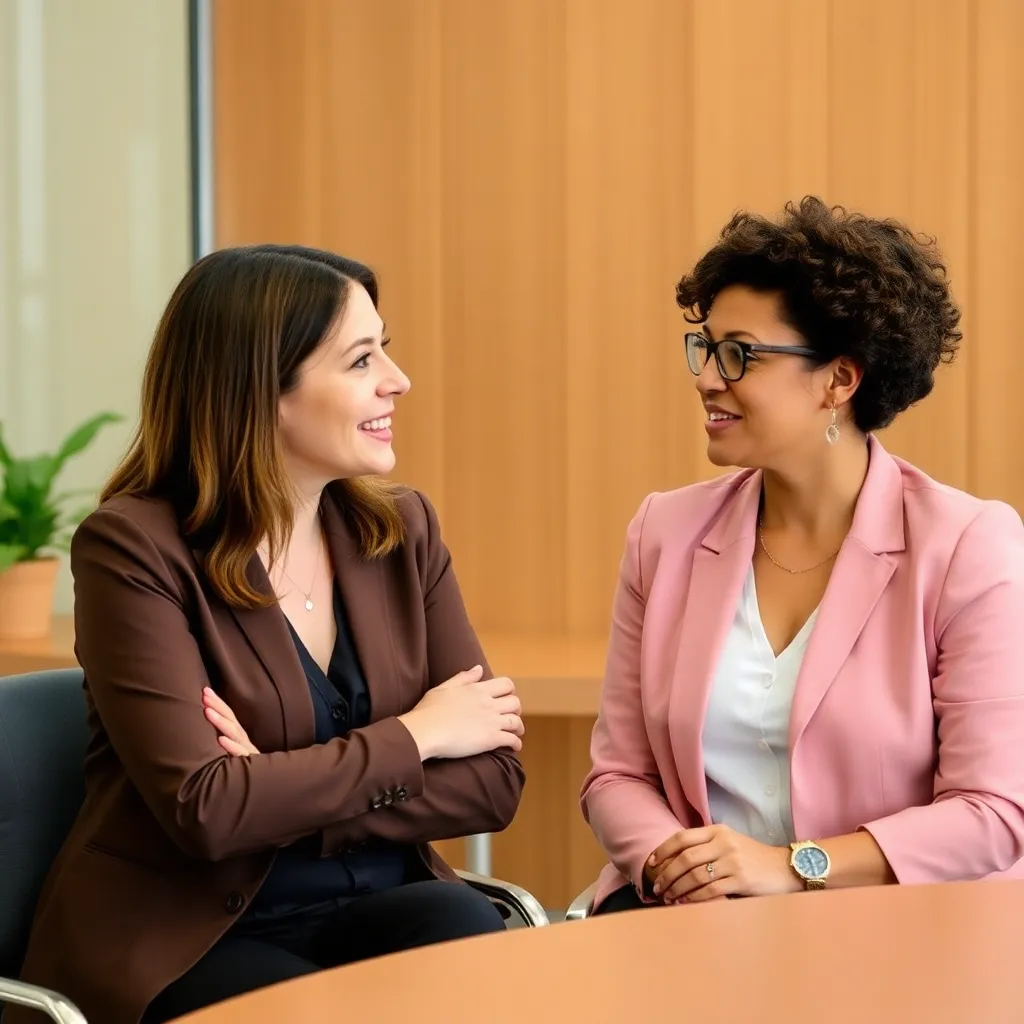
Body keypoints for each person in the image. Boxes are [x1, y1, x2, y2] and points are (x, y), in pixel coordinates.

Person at [11, 245, 526, 1024]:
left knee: (472, 944)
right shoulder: (134, 548)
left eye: (386, 348)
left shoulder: (399, 530)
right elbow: (208, 811)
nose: (397, 379)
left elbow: (493, 781)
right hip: (190, 929)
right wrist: (418, 735)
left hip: (381, 898)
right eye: (361, 360)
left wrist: (283, 786)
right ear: (263, 391)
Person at [581, 197, 1024, 915]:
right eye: (705, 347)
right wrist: (690, 877)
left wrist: (793, 867)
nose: (706, 378)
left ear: (839, 381)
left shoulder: (968, 546)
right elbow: (617, 778)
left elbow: (993, 811)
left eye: (740, 355)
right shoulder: (664, 532)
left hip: (902, 931)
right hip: (692, 926)